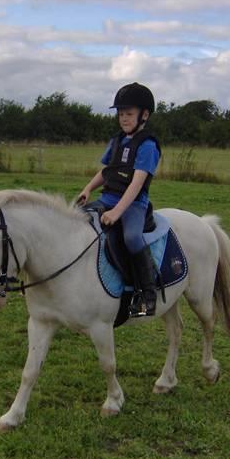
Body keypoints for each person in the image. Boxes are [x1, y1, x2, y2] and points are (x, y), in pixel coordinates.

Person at [77, 82, 161, 317]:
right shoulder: (116, 141)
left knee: (132, 237)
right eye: (120, 114)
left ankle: (147, 294)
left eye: (129, 113)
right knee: (76, 220)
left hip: (133, 204)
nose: (123, 118)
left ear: (144, 115)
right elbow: (107, 172)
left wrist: (117, 213)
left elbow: (136, 184)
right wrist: (88, 189)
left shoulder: (148, 145)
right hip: (107, 198)